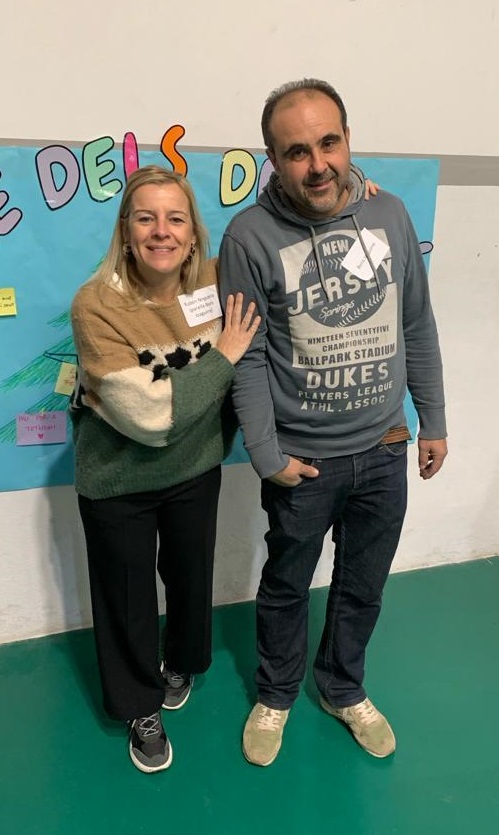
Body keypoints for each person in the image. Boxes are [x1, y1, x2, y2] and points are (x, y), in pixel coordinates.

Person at [218, 79, 447, 767]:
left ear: (348, 139)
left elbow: (415, 323)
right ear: (273, 159)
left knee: (362, 584)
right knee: (287, 584)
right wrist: (265, 454)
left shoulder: (390, 215)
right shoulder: (249, 237)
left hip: (385, 446)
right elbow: (246, 356)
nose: (317, 164)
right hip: (303, 461)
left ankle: (342, 687)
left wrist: (432, 419)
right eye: (297, 151)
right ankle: (276, 692)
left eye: (328, 142)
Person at [70, 165, 260, 773]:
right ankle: (139, 705)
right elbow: (151, 418)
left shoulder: (216, 279)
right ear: (125, 231)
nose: (162, 231)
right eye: (146, 218)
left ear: (193, 231)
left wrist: (354, 195)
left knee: (190, 575)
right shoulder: (96, 306)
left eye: (175, 218)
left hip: (196, 469)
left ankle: (181, 664)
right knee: (127, 597)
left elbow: (284, 244)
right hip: (119, 479)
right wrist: (225, 356)